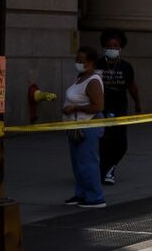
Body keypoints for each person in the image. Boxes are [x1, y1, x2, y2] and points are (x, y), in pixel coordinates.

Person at [55, 45, 107, 207]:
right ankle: (82, 193)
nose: (77, 62)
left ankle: (96, 197)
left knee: (87, 163)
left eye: (81, 60)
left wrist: (75, 108)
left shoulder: (93, 81)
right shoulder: (81, 78)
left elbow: (98, 106)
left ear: (90, 62)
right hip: (75, 127)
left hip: (87, 126)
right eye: (77, 59)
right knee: (78, 164)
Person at [96, 28, 142, 185]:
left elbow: (131, 86)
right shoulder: (98, 64)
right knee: (103, 140)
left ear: (121, 47)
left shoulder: (126, 67)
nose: (112, 49)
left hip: (119, 106)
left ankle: (111, 167)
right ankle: (102, 169)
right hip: (101, 106)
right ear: (104, 46)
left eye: (115, 46)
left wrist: (138, 103)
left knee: (120, 142)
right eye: (109, 46)